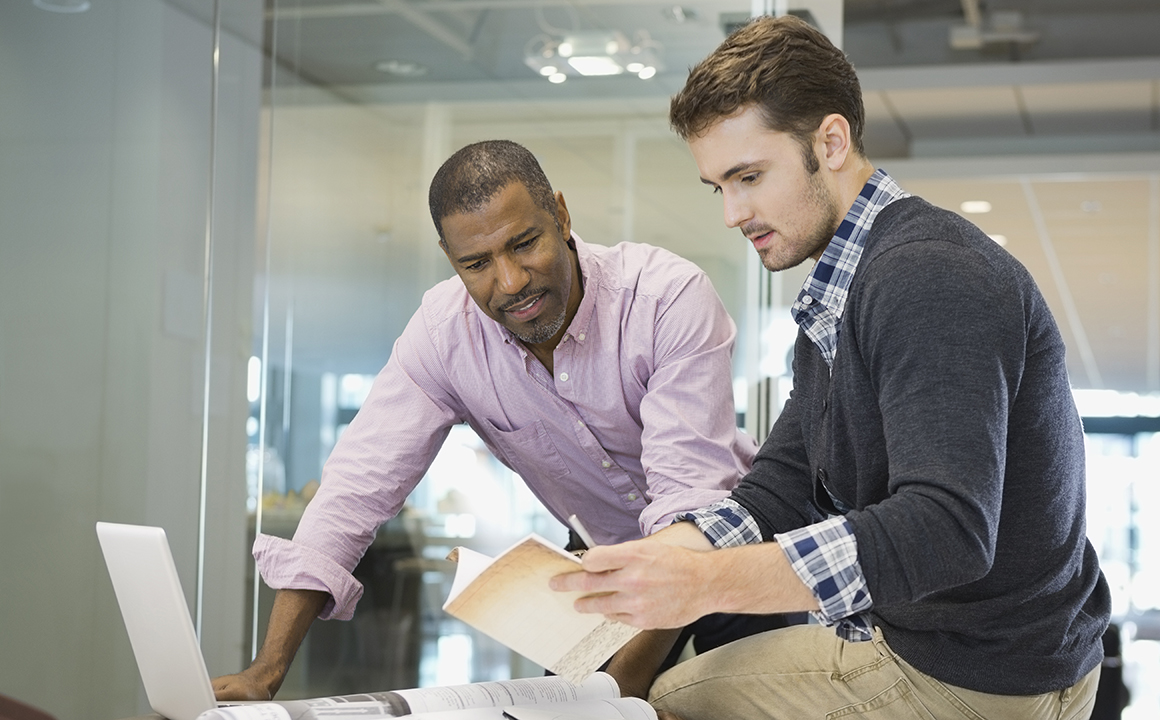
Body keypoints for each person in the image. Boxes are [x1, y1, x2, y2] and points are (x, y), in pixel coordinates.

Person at [551, 16, 1112, 719]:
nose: (732, 212)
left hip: (977, 676)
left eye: (749, 177)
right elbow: (782, 483)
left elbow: (946, 532)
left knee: (674, 700)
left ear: (832, 141)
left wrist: (708, 584)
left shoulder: (927, 277)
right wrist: (663, 558)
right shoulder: (848, 290)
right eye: (717, 187)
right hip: (967, 647)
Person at [213, 140, 793, 700]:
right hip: (599, 556)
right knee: (560, 705)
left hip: (730, 544)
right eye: (477, 263)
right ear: (451, 260)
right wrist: (267, 669)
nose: (511, 282)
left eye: (524, 243)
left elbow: (687, 516)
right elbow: (352, 492)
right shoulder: (443, 336)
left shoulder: (665, 297)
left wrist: (619, 690)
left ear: (560, 216)